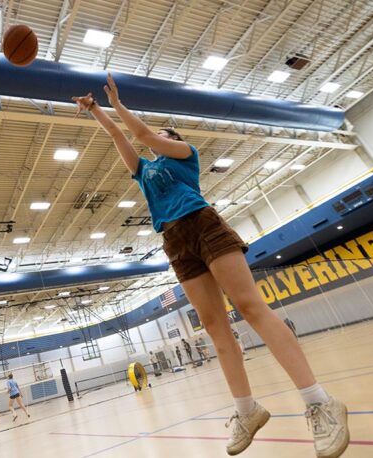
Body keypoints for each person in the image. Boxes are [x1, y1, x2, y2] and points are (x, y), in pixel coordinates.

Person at [72, 76, 349, 458]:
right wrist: (95, 111)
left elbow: (141, 135)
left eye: (160, 132)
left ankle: (319, 402)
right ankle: (247, 411)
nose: (155, 135)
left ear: (172, 137)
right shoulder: (145, 172)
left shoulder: (185, 153)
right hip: (174, 241)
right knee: (215, 328)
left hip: (203, 225)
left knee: (250, 308)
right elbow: (122, 140)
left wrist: (117, 105)